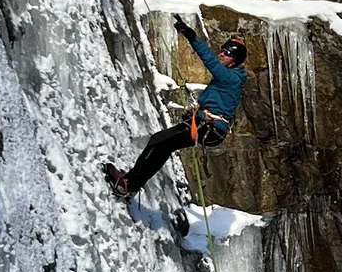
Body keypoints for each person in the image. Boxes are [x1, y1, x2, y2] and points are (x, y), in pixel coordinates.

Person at [107, 19, 249, 198]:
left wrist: (191, 36)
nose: (221, 54)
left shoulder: (231, 78)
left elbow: (209, 61)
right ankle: (131, 183)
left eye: (227, 53)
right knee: (161, 143)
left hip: (211, 128)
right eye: (222, 50)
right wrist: (197, 114)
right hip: (206, 124)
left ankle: (129, 184)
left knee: (160, 142)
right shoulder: (230, 77)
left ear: (234, 61)